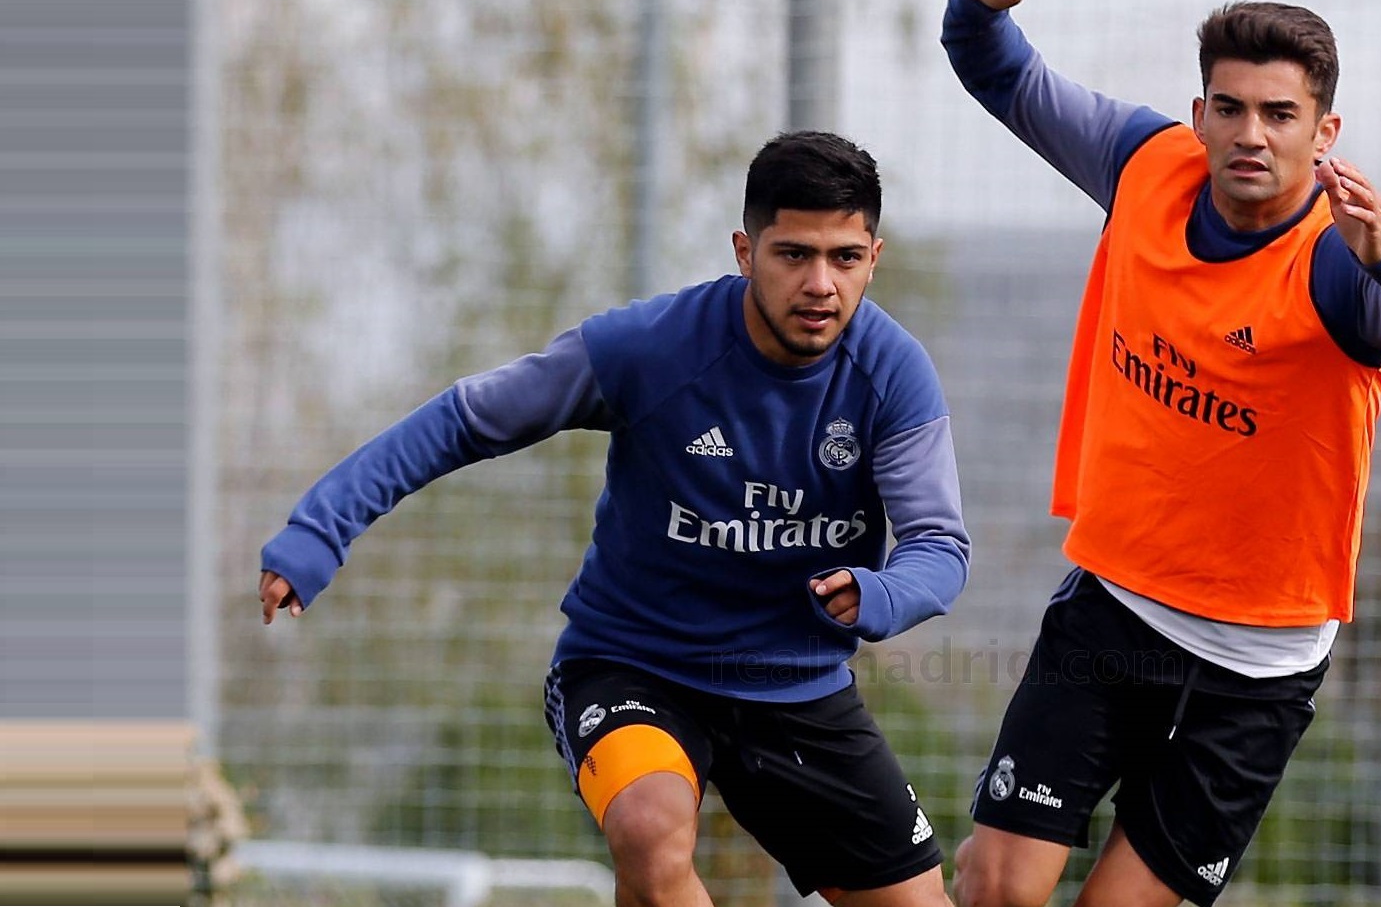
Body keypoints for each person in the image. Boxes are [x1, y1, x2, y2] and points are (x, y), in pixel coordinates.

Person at [257, 131, 969, 907]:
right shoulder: (649, 350)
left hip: (796, 685)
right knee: (651, 831)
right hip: (635, 665)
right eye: (793, 254)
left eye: (845, 258)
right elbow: (464, 420)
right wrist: (319, 531)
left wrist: (883, 594)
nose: (821, 283)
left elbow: (937, 544)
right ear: (744, 250)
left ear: (874, 257)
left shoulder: (892, 375)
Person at [940, 0, 1381, 905]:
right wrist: (982, 3)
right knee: (998, 883)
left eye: (1281, 114)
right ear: (1199, 114)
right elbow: (996, 70)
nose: (1252, 134)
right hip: (1116, 610)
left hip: (1257, 664)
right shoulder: (1145, 164)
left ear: (1324, 134)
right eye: (1232, 108)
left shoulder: (1345, 263)